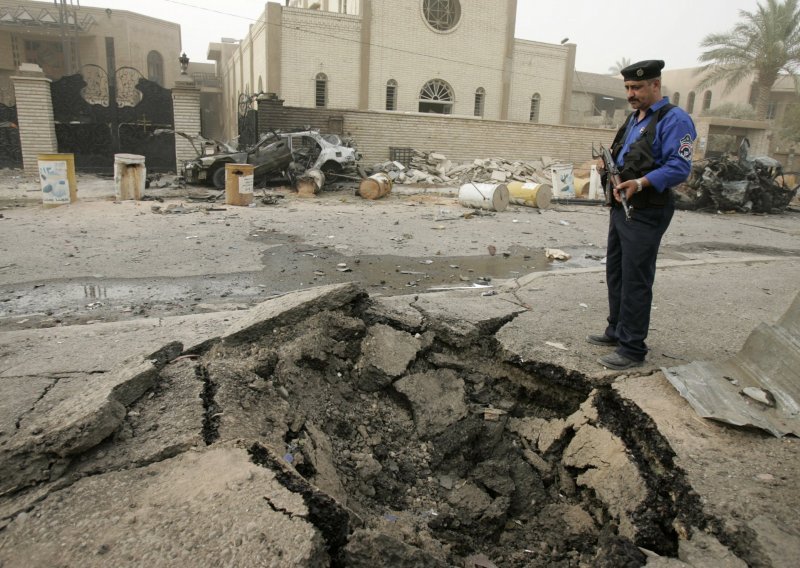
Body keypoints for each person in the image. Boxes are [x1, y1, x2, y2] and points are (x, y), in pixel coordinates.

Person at [589, 60, 697, 370]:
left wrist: (640, 182)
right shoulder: (634, 119)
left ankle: (633, 348)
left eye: (637, 87)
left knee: (636, 279)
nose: (631, 93)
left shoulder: (675, 119)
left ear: (655, 86)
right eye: (627, 88)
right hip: (622, 206)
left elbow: (680, 167)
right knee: (617, 272)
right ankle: (617, 331)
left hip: (647, 209)